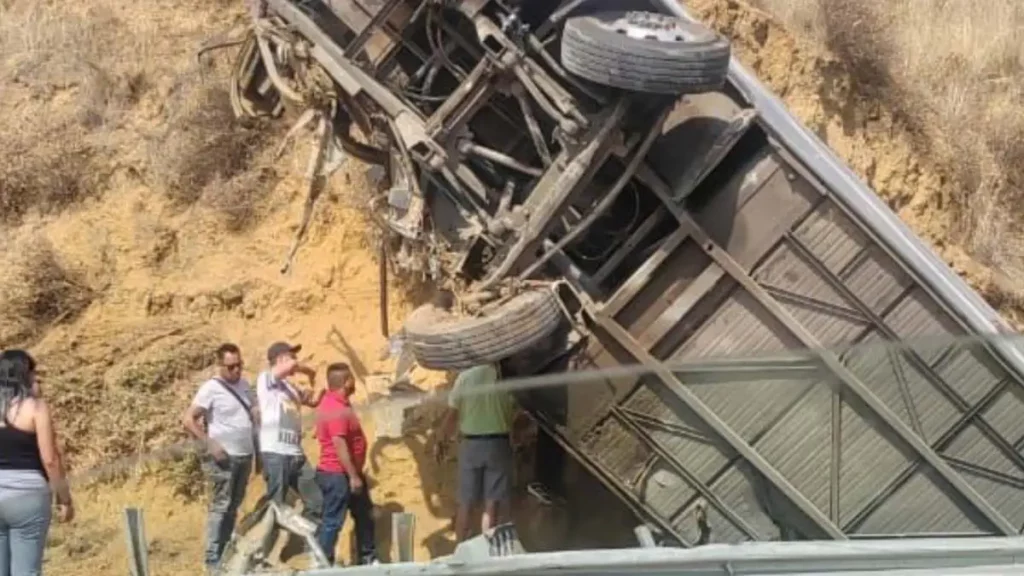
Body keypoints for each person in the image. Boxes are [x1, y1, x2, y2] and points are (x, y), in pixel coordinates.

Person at [182, 343, 259, 570]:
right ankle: (213, 559)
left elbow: (253, 413)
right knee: (220, 506)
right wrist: (211, 444)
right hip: (224, 458)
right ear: (220, 366)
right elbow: (188, 419)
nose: (236, 370)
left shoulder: (245, 385)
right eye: (231, 366)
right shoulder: (211, 388)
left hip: (244, 456)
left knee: (233, 506)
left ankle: (225, 552)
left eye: (239, 365)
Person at [0, 349, 73, 576]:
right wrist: (64, 498)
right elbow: (50, 459)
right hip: (28, 497)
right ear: (26, 375)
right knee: (27, 571)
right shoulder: (36, 408)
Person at [314, 363, 378, 566]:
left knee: (364, 515)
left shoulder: (340, 403)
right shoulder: (335, 408)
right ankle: (322, 563)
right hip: (338, 475)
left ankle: (368, 557)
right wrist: (353, 476)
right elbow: (339, 444)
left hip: (346, 473)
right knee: (333, 521)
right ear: (345, 382)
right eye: (351, 378)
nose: (354, 382)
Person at [444, 362, 517, 542]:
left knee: (465, 504)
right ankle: (487, 551)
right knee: (491, 505)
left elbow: (452, 415)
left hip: (471, 444)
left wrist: (441, 438)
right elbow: (515, 413)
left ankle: (460, 549)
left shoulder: (465, 378)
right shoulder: (505, 379)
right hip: (498, 445)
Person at [256, 341, 324, 526]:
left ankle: (311, 550)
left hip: (296, 454)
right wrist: (308, 371)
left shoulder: (290, 388)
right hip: (275, 453)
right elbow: (293, 366)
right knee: (276, 508)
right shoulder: (266, 380)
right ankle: (261, 549)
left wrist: (318, 384)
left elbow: (314, 401)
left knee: (317, 502)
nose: (296, 360)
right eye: (292, 356)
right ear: (281, 359)